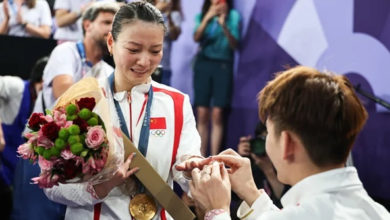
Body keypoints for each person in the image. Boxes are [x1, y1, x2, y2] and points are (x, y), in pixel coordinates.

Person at [44, 2, 202, 219]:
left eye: (155, 50)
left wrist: (195, 171)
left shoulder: (177, 103)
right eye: (133, 50)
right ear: (111, 42)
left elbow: (185, 171)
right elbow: (52, 185)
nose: (145, 61)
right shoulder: (83, 101)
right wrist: (102, 186)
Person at [184, 66, 390, 219]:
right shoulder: (376, 211)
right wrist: (251, 192)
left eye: (270, 133)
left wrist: (216, 211)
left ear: (287, 143)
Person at [11, 2, 119, 220]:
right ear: (87, 24)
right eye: (106, 22)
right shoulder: (65, 50)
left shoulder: (109, 71)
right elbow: (67, 98)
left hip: (80, 159)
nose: (112, 30)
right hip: (44, 151)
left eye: (116, 26)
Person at [193, 0, 240, 156]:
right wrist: (208, 18)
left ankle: (214, 156)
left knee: (218, 112)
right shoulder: (203, 15)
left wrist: (224, 24)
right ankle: (200, 156)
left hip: (223, 65)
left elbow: (235, 44)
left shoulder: (233, 16)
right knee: (202, 112)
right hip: (203, 64)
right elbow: (196, 37)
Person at [236, 121, 286, 208]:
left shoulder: (286, 165)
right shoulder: (251, 163)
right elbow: (234, 195)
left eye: (268, 139)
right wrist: (239, 160)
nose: (265, 146)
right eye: (262, 139)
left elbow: (285, 203)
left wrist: (268, 171)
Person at [152, 0, 182, 85]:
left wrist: (168, 17)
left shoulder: (174, 15)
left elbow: (174, 36)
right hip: (147, 64)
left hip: (164, 66)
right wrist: (156, 10)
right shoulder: (145, 13)